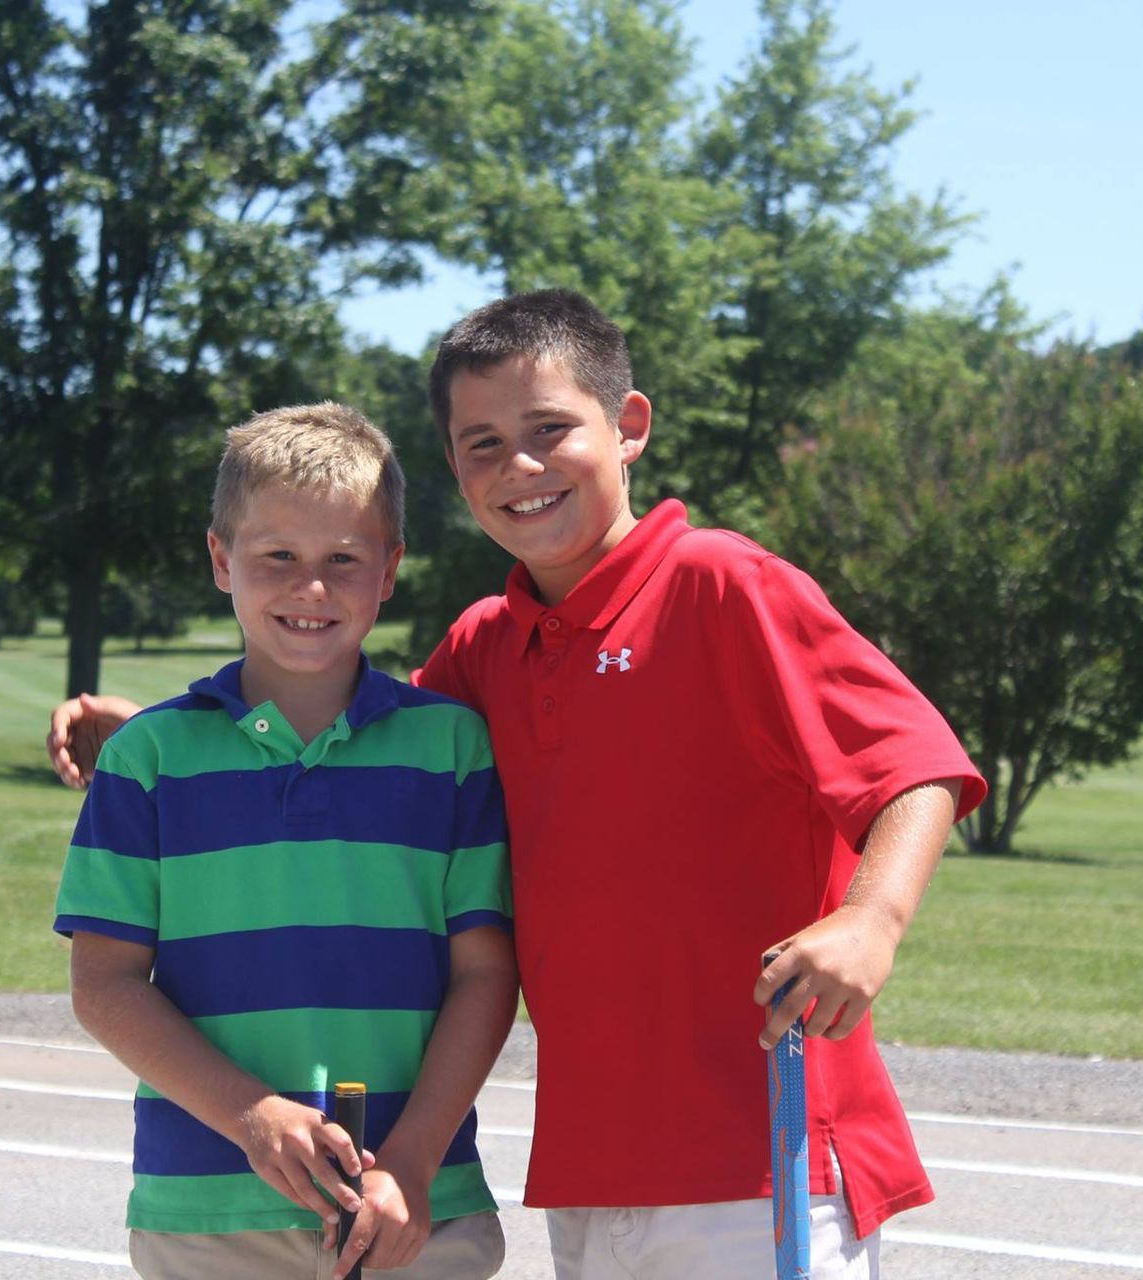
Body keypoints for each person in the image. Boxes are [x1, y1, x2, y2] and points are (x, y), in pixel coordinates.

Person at [50, 292, 987, 1279]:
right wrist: (167, 723)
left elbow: (915, 760)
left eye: (550, 430)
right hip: (593, 1168)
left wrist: (872, 917)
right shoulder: (484, 648)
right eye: (483, 443)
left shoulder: (722, 582)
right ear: (455, 468)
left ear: (629, 428)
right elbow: (342, 720)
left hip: (766, 1150)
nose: (520, 466)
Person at [52, 402, 515, 1280]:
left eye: (345, 559)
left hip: (417, 1206)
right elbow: (104, 984)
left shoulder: (454, 749)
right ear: (222, 561)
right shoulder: (147, 758)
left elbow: (487, 974)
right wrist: (253, 1115)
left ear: (391, 570)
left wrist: (412, 1164)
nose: (312, 588)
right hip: (207, 1207)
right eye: (278, 559)